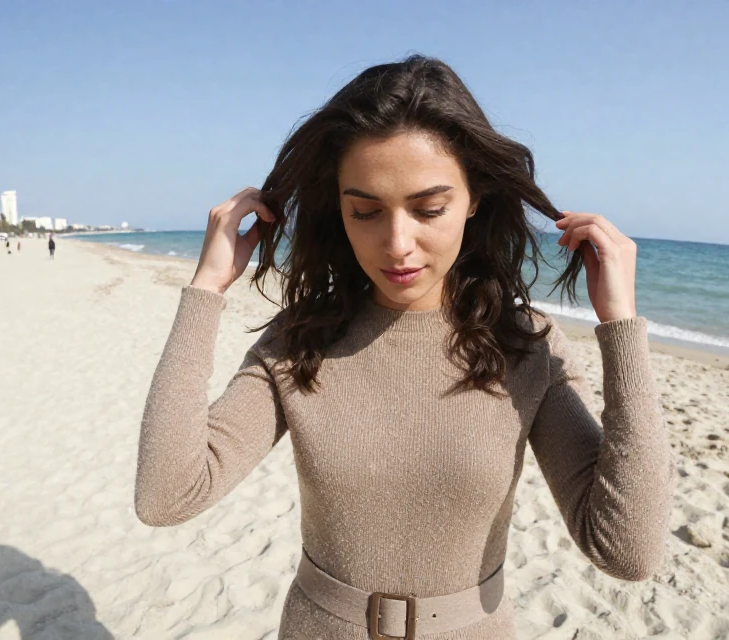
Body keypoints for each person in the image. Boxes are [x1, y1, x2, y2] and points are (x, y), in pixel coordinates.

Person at [134, 55, 673, 640]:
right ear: (338, 210)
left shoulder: (524, 348)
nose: (397, 244)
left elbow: (625, 549)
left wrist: (620, 326)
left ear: (475, 200)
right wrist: (205, 290)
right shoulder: (298, 343)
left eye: (428, 209)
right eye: (365, 211)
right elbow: (167, 495)